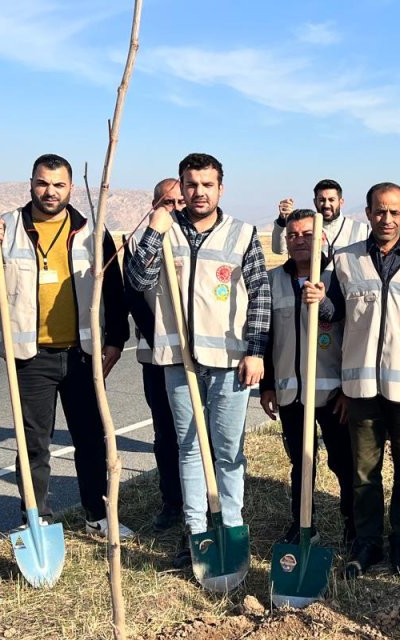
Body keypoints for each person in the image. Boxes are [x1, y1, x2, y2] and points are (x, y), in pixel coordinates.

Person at [0, 153, 133, 538]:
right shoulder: (5, 228)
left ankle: (98, 516)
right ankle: (36, 519)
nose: (50, 191)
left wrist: (116, 339)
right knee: (33, 445)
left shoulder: (92, 231)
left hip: (82, 356)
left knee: (91, 441)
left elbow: (113, 289)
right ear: (31, 183)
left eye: (59, 185)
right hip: (30, 357)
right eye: (43, 183)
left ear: (71, 187)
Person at [125, 152, 270, 566]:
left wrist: (255, 352)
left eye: (207, 184)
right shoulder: (164, 231)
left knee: (227, 449)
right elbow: (138, 280)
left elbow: (260, 295)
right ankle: (196, 532)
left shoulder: (241, 233)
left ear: (220, 188)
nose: (199, 192)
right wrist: (155, 229)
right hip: (179, 360)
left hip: (229, 360)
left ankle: (230, 526)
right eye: (191, 185)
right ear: (182, 188)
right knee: (188, 447)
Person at [325, 182, 400, 579]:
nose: (387, 219)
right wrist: (317, 300)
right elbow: (334, 312)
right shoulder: (345, 259)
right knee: (364, 472)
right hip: (361, 388)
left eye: (394, 212)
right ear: (367, 213)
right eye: (380, 211)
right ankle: (367, 542)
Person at [259, 209, 356, 546]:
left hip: (333, 394)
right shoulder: (273, 280)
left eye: (307, 234)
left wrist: (348, 389)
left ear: (322, 238)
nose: (299, 240)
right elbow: (267, 336)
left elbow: (352, 329)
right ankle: (302, 525)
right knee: (301, 463)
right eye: (293, 235)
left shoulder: (340, 275)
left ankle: (353, 523)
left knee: (343, 461)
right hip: (291, 393)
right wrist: (267, 385)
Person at [125, 178, 185, 532]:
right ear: (154, 204)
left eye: (180, 202)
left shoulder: (194, 236)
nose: (175, 208)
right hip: (157, 356)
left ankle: (204, 501)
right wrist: (163, 341)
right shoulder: (137, 240)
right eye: (167, 202)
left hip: (198, 356)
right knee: (166, 434)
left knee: (200, 434)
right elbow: (135, 297)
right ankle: (172, 501)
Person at [271, 179, 371, 255]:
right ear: (315, 202)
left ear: (341, 202)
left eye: (331, 200)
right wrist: (282, 220)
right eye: (322, 200)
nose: (326, 205)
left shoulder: (361, 230)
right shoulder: (306, 227)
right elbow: (279, 250)